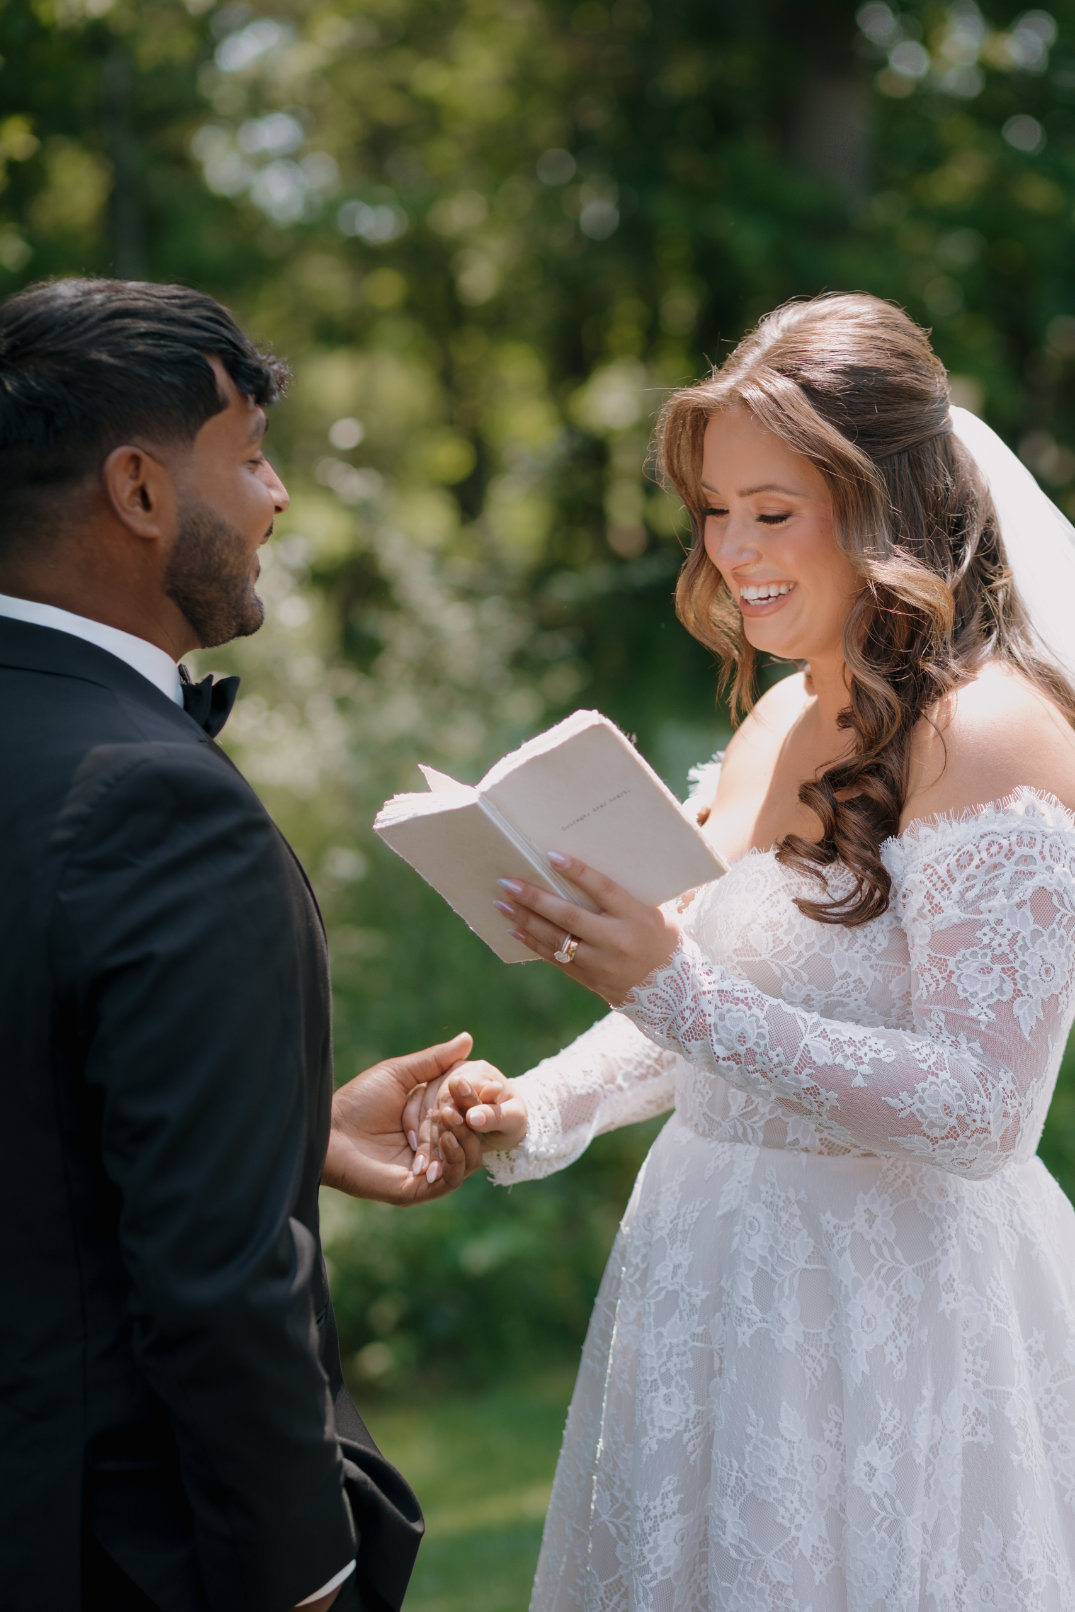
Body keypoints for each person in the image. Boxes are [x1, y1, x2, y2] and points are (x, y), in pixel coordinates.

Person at [416, 292, 1075, 1608]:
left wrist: (670, 985)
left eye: (775, 511)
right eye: (717, 511)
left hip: (891, 1311)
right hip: (712, 1270)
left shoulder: (995, 735)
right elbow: (707, 1008)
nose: (732, 551)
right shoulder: (783, 716)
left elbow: (983, 1108)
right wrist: (534, 1102)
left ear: (890, 504)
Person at [0, 277, 481, 1612]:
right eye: (252, 458)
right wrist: (303, 1573)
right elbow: (216, 1281)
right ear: (142, 491)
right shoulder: (159, 804)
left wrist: (288, 1128)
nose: (275, 499)